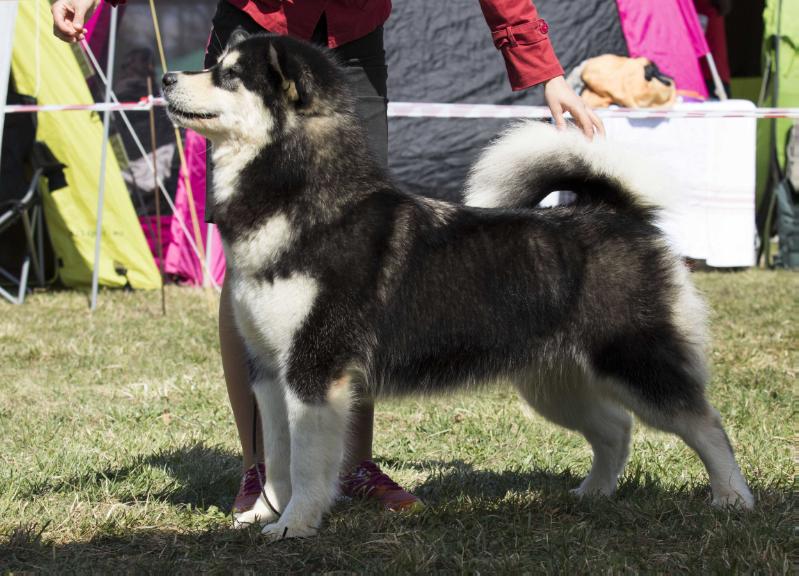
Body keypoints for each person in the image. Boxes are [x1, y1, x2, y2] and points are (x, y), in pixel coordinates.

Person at [52, 0, 605, 519]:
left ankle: (351, 463)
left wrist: (543, 68)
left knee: (359, 255)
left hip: (353, 32)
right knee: (251, 256)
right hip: (258, 18)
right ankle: (264, 472)